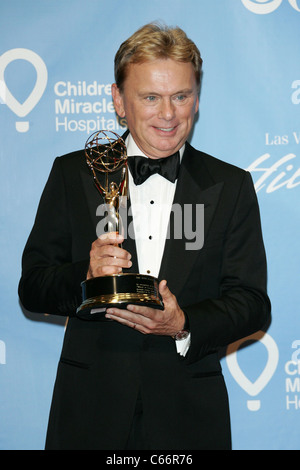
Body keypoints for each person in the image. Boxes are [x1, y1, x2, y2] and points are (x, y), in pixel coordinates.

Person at [18, 22, 271, 450]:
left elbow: (251, 303)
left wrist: (183, 323)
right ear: (119, 100)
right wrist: (87, 275)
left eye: (181, 96)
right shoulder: (74, 174)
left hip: (189, 416)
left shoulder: (230, 185)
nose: (169, 114)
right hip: (89, 414)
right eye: (150, 97)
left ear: (196, 97)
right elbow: (33, 287)